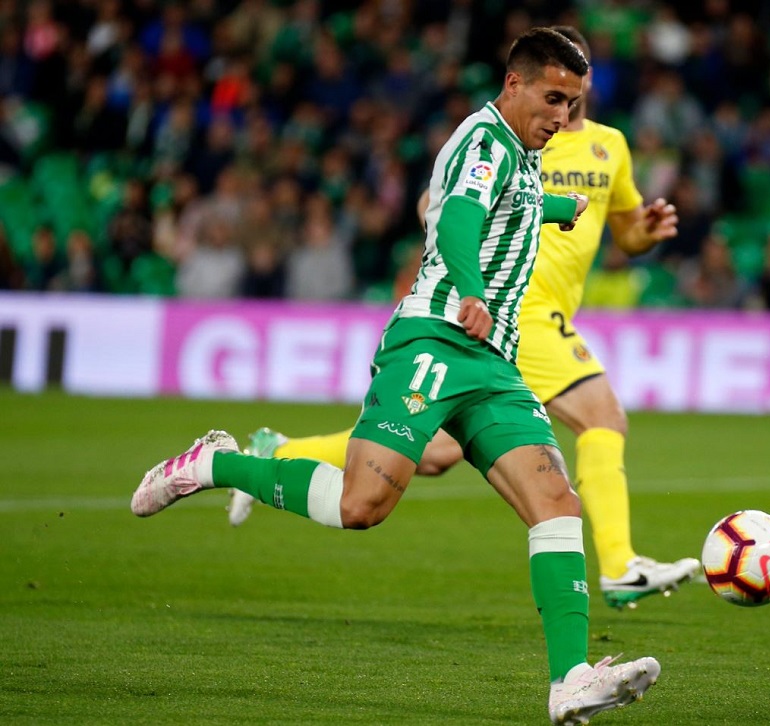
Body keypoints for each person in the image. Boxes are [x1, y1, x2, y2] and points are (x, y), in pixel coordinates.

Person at [131, 28, 660, 725]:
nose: (563, 116)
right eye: (553, 99)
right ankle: (214, 465)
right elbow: (460, 220)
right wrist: (471, 290)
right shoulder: (484, 142)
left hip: (492, 364)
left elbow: (511, 209)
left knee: (556, 502)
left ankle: (570, 680)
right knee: (362, 507)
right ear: (515, 84)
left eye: (573, 103)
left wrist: (561, 209)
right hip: (435, 340)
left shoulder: (524, 154)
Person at [231, 26, 700, 610]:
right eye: (554, 91)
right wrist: (463, 256)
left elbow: (625, 232)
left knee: (431, 452)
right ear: (531, 82)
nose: (562, 106)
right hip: (512, 308)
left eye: (573, 91)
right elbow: (443, 204)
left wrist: (645, 233)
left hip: (540, 315)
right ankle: (621, 564)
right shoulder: (515, 137)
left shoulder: (610, 146)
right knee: (602, 416)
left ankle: (277, 452)